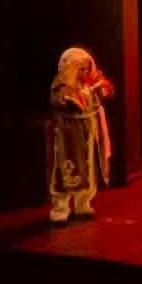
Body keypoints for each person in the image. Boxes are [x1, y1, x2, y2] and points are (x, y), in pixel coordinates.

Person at [46, 46, 112, 223]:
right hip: (70, 135)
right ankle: (61, 208)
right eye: (80, 69)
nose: (84, 72)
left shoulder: (89, 81)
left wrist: (100, 88)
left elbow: (105, 92)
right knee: (67, 170)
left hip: (89, 132)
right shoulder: (62, 85)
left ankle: (83, 203)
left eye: (86, 69)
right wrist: (71, 101)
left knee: (89, 169)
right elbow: (60, 101)